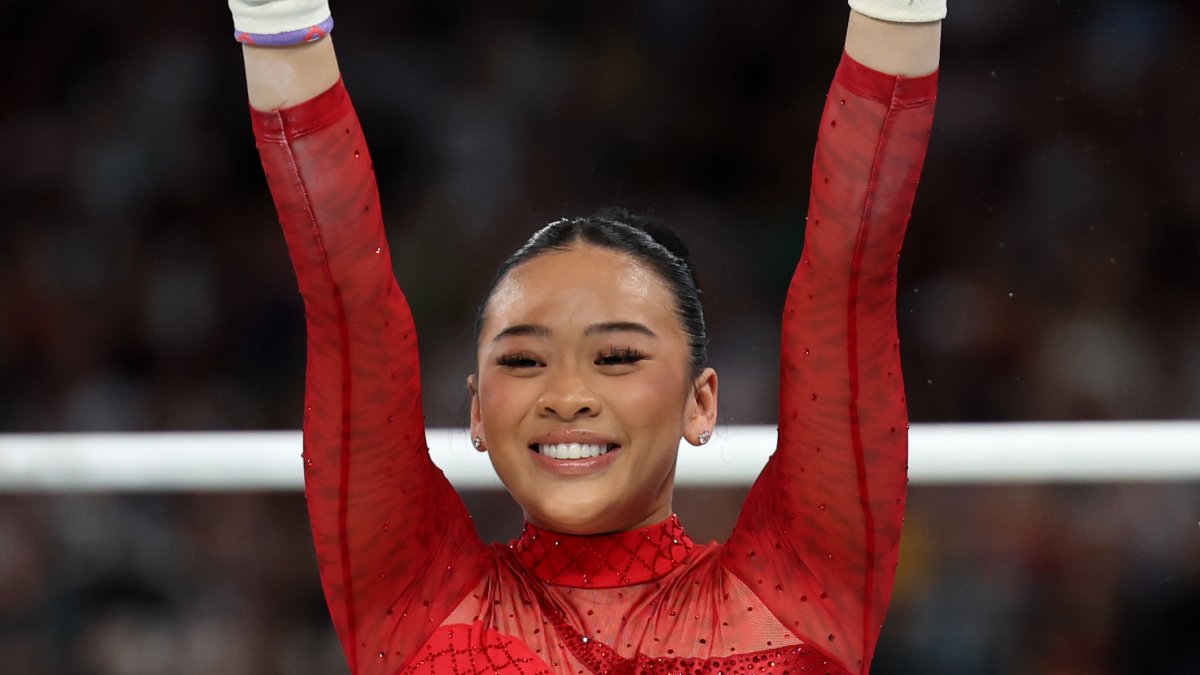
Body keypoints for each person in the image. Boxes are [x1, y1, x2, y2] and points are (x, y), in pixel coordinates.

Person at [230, 0, 943, 672]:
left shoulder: (798, 583)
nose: (567, 394)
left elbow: (851, 270)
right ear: (476, 410)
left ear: (700, 402)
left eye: (617, 356)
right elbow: (348, 300)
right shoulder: (417, 593)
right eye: (523, 359)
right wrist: (277, 13)